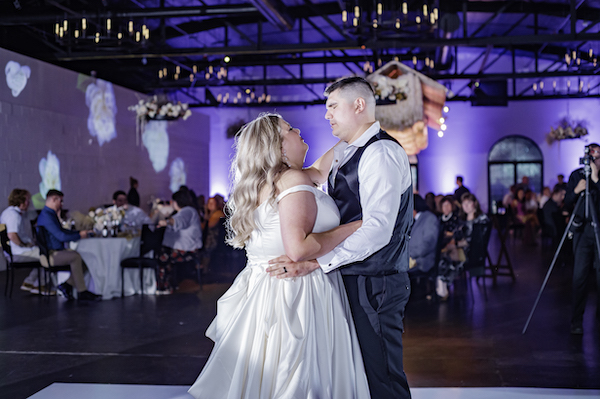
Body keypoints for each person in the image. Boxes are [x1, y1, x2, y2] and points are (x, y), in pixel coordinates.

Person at [188, 113, 369, 398]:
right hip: (296, 293)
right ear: (278, 146)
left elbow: (322, 170)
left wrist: (357, 127)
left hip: (264, 291)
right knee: (300, 375)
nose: (298, 130)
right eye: (289, 129)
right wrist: (356, 226)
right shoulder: (292, 178)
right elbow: (298, 249)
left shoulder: (274, 180)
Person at [267, 76, 414, 398]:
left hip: (376, 280)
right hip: (354, 276)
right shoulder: (346, 150)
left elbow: (378, 228)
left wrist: (316, 263)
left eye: (332, 106)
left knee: (382, 374)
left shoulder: (381, 153)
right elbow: (305, 177)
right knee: (359, 372)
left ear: (358, 105)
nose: (326, 115)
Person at [36, 189, 101, 301]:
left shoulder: (50, 214)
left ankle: (66, 285)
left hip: (55, 251)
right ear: (53, 199)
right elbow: (61, 236)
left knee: (85, 260)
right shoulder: (47, 216)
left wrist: (79, 233)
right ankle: (82, 292)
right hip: (50, 255)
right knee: (76, 257)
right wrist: (80, 235)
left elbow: (63, 232)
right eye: (60, 201)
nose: (61, 204)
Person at [564, 143, 600, 335]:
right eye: (591, 156)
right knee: (580, 277)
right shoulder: (576, 175)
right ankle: (576, 321)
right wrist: (577, 190)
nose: (594, 160)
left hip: (599, 230)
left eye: (597, 156)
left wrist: (595, 179)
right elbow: (567, 202)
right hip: (583, 231)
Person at [156, 189, 203, 294]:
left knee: (162, 257)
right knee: (164, 253)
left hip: (188, 249)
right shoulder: (188, 211)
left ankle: (165, 286)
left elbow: (179, 221)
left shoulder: (187, 211)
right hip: (185, 247)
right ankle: (171, 284)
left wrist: (166, 222)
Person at [0, 189, 43, 293]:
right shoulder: (14, 215)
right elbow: (12, 235)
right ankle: (39, 285)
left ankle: (30, 282)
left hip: (12, 252)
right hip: (18, 253)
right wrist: (25, 245)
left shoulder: (8, 213)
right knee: (47, 255)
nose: (29, 203)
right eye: (27, 200)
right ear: (21, 201)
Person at [409, 194, 440, 274]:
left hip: (421, 262)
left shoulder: (429, 218)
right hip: (411, 260)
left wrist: (409, 253)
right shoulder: (414, 220)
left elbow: (428, 244)